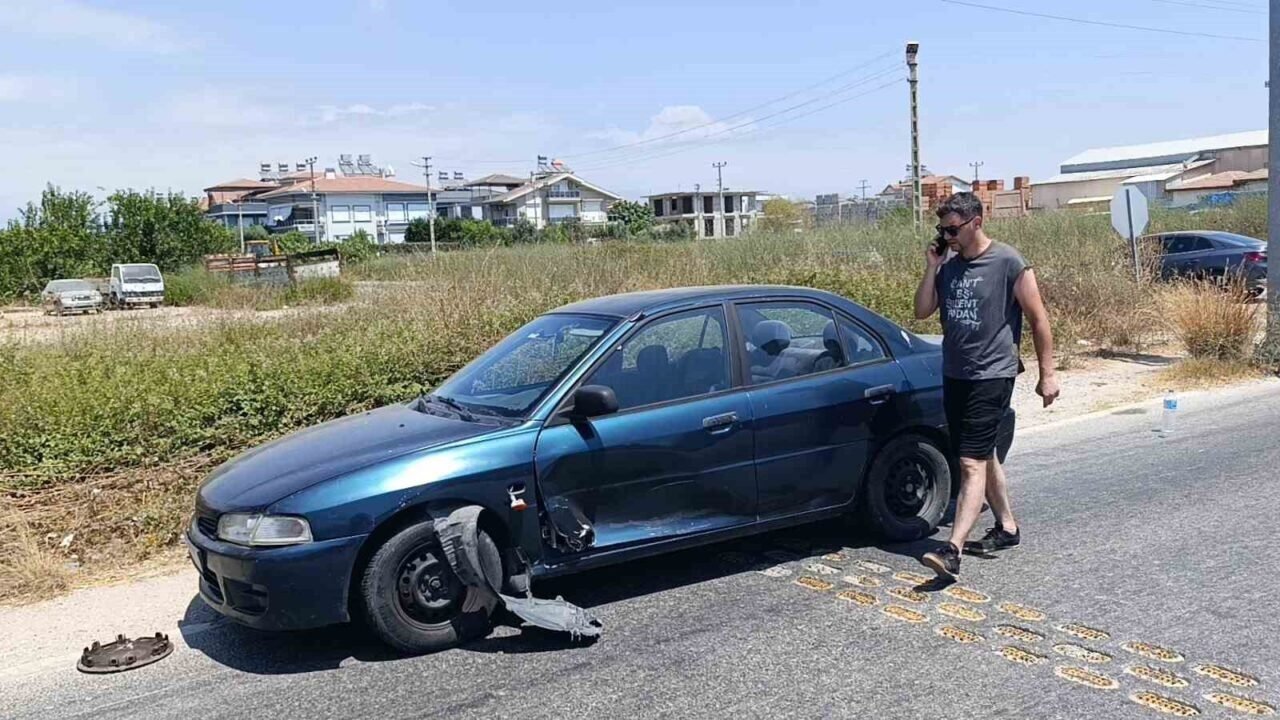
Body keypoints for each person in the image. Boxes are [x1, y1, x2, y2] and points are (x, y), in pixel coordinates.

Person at [913, 192, 1059, 580]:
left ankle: (952, 550)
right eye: (942, 230)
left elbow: (1039, 320)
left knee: (970, 463)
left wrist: (1047, 374)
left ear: (976, 222)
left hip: (992, 374)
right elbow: (922, 311)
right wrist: (932, 266)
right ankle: (1007, 526)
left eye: (952, 229)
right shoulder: (948, 266)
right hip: (955, 374)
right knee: (984, 453)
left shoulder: (1008, 262)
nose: (947, 237)